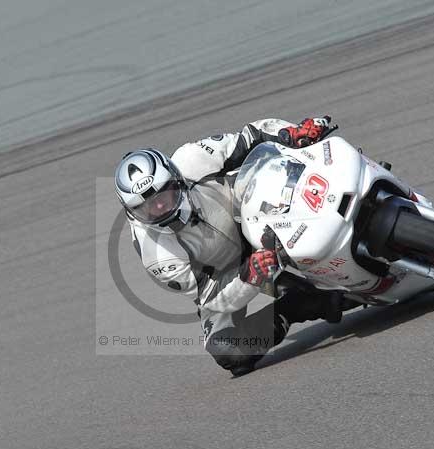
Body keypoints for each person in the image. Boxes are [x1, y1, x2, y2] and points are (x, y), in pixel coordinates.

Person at [114, 117, 342, 376]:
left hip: (253, 214)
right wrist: (251, 275)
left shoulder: (192, 158)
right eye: (145, 207)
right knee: (228, 350)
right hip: (226, 274)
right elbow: (211, 298)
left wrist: (291, 133)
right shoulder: (157, 255)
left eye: (164, 195)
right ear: (131, 212)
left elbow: (250, 138)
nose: (159, 207)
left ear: (176, 179)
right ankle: (299, 303)